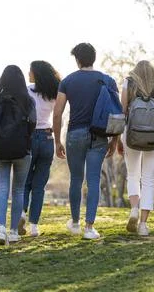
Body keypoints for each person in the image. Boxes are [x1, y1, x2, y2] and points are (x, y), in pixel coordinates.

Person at [53, 43, 118, 240]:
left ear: (77, 60)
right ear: (94, 58)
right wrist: (114, 141)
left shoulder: (68, 81)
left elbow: (57, 114)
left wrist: (57, 141)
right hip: (99, 136)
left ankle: (74, 223)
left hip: (74, 134)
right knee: (94, 180)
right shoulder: (107, 80)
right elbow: (116, 114)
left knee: (76, 179)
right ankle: (89, 228)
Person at [0, 65, 36, 245]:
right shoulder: (28, 100)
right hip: (22, 150)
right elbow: (33, 124)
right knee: (19, 190)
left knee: (2, 188)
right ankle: (14, 231)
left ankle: (1, 229)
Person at [116, 60, 154, 236]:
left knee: (132, 175)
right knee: (148, 180)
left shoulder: (128, 82)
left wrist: (118, 138)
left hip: (131, 134)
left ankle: (133, 210)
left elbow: (122, 111)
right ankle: (144, 225)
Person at [19, 61, 60, 237]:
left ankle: (21, 213)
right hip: (47, 138)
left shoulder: (27, 90)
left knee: (25, 181)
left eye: (30, 70)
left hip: (29, 138)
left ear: (36, 73)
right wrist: (58, 140)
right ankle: (34, 226)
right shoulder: (54, 92)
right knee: (39, 186)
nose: (28, 73)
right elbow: (59, 117)